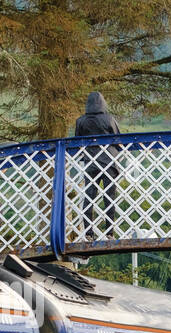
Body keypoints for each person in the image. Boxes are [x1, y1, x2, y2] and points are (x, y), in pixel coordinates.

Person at [73, 92, 123, 240]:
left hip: (90, 164)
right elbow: (118, 140)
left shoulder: (80, 121)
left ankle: (88, 233)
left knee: (89, 197)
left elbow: (77, 142)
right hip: (109, 164)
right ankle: (110, 232)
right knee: (110, 198)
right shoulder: (109, 119)